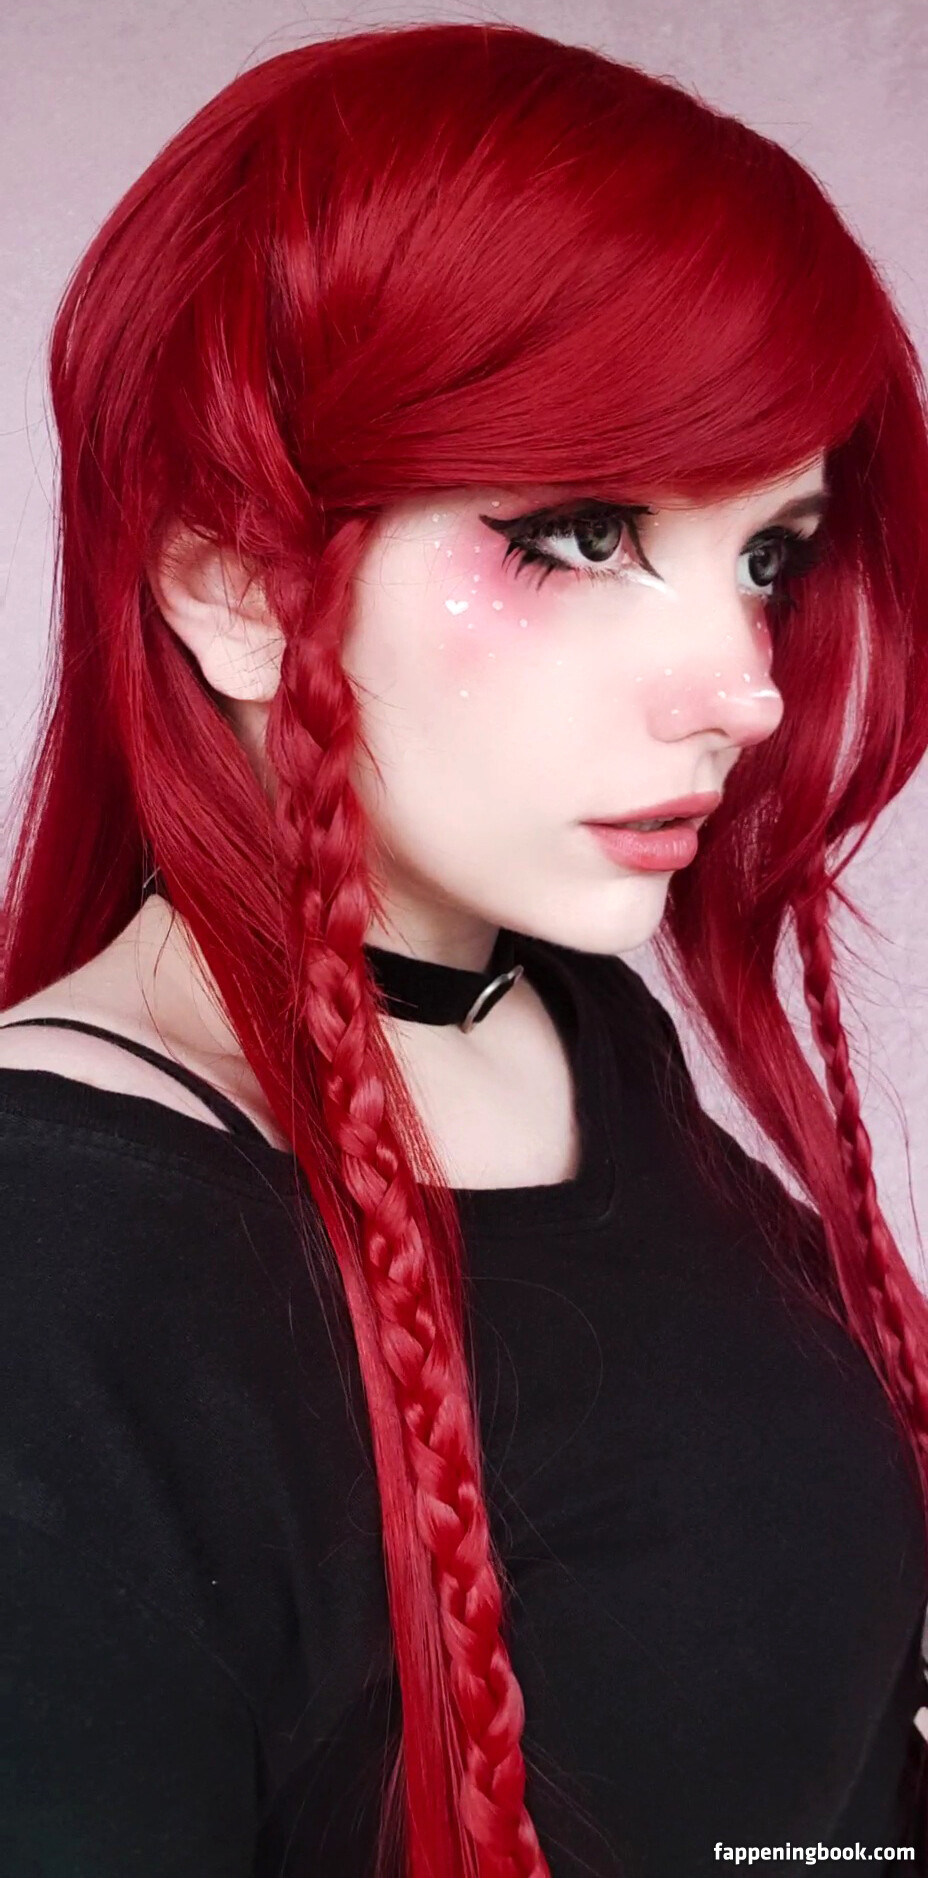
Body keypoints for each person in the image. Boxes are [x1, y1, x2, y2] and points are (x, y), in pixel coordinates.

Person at [2, 20, 928, 1878]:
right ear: (227, 584)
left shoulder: (579, 1030)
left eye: (769, 555)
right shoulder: (58, 1277)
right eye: (579, 534)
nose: (745, 690)